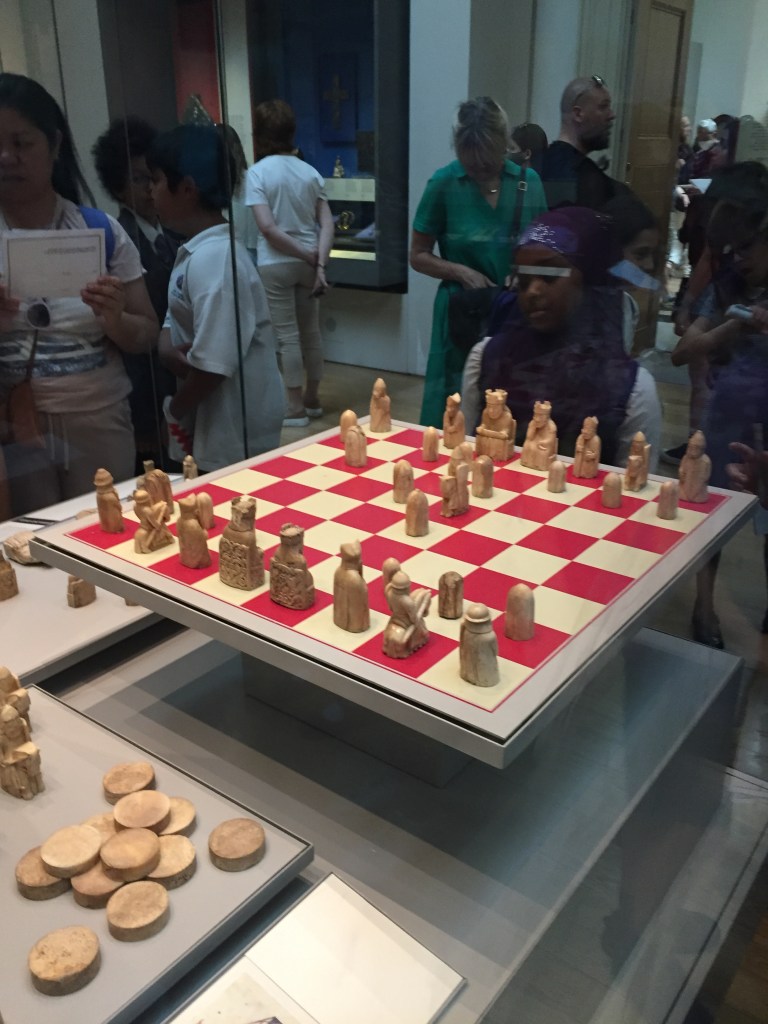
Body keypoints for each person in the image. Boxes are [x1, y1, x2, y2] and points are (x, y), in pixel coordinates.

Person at [0, 73, 158, 518]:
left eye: (21, 143)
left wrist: (115, 319)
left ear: (54, 145)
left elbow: (147, 333)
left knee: (106, 531)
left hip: (98, 413)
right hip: (13, 420)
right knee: (28, 542)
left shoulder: (100, 230)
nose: (6, 157)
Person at [462, 206, 661, 469]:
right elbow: (466, 454)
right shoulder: (485, 357)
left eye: (549, 276)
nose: (533, 291)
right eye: (524, 280)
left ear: (589, 282)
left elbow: (636, 487)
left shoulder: (633, 389)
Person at [149, 123, 284, 472]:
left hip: (231, 427)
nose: (151, 192)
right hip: (213, 418)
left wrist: (174, 410)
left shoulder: (216, 259)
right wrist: (165, 347)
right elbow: (175, 312)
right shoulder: (198, 250)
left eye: (156, 180)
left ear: (187, 188)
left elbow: (212, 366)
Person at [410, 96, 547, 427]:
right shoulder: (444, 183)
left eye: (488, 162)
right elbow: (417, 255)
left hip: (513, 310)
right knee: (452, 407)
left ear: (504, 144)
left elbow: (543, 252)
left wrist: (524, 274)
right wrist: (460, 271)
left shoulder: (529, 184)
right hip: (463, 311)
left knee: (508, 408)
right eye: (470, 164)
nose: (480, 171)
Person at [670, 195, 768, 643]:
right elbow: (681, 352)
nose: (738, 258)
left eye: (747, 247)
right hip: (728, 413)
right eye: (731, 249)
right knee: (708, 512)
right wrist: (735, 325)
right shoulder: (727, 286)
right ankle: (704, 607)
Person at [92, 115, 181, 472]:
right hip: (146, 393)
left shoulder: (170, 236)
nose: (148, 188)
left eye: (153, 176)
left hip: (175, 385)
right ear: (118, 188)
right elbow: (134, 342)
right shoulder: (121, 242)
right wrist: (148, 417)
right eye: (138, 179)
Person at [246, 99, 333, 427]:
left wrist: (305, 255)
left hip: (276, 263)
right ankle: (313, 399)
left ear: (259, 134)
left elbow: (268, 229)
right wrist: (318, 262)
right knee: (311, 332)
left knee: (287, 336)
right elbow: (328, 223)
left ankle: (294, 407)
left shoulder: (257, 174)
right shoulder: (311, 173)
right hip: (310, 263)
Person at [539, 75, 630, 210]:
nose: (611, 115)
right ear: (578, 114)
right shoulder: (574, 178)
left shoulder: (544, 163)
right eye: (603, 107)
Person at [602, 193, 660, 351]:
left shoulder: (628, 306)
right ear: (611, 251)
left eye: (652, 255)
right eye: (640, 254)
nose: (649, 265)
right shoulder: (573, 306)